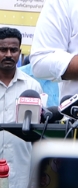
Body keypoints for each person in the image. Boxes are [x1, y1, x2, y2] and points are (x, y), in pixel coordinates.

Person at [0, 27, 43, 188]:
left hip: (22, 170)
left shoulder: (32, 87)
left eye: (13, 50)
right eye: (3, 50)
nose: (9, 55)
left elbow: (38, 133)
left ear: (20, 51)